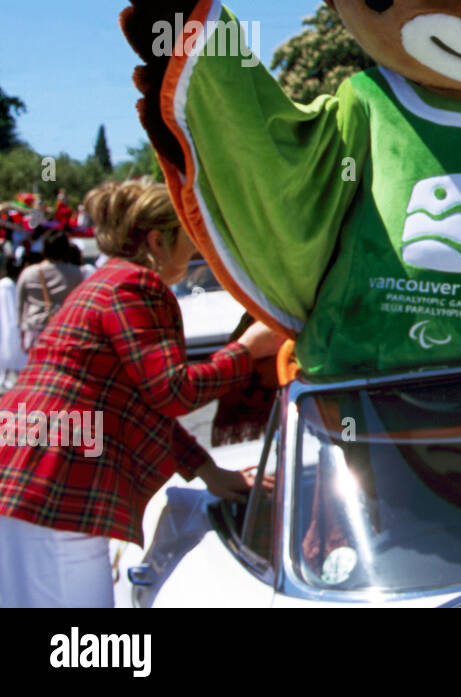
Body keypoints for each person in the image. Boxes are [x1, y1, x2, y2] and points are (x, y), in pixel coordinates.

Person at [0, 177, 284, 607]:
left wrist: (208, 471)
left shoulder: (110, 281)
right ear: (157, 239)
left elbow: (142, 401)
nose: (196, 252)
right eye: (190, 239)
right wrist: (247, 350)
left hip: (31, 468)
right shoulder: (137, 286)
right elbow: (172, 392)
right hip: (56, 481)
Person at [15, 230, 86, 352]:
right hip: (63, 329)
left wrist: (21, 331)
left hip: (34, 329)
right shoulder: (76, 273)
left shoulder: (29, 273)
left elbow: (20, 305)